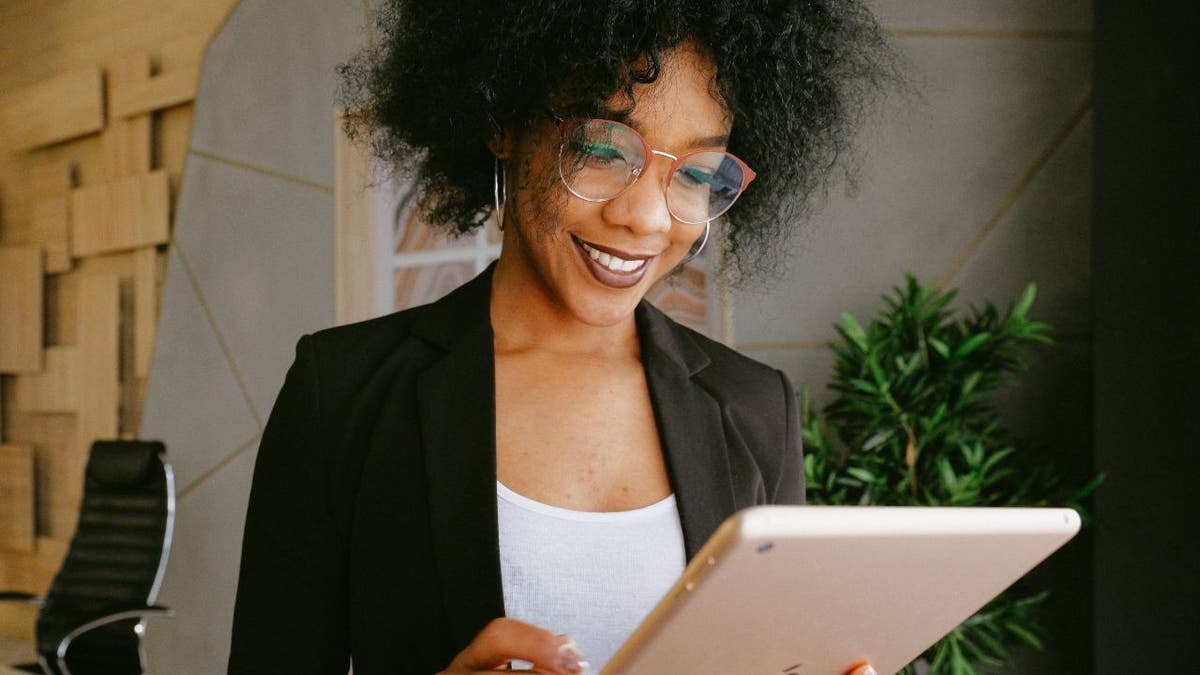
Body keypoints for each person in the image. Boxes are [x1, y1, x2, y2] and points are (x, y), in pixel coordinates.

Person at [228, 1, 889, 673]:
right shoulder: (342, 394)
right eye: (602, 149)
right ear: (500, 121)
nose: (646, 217)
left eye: (695, 173)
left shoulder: (754, 409)